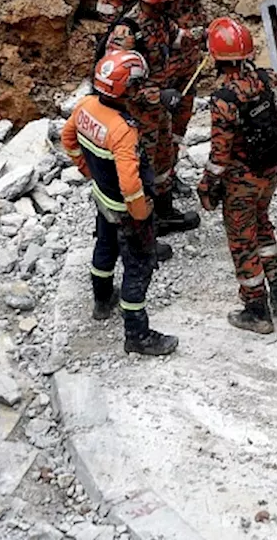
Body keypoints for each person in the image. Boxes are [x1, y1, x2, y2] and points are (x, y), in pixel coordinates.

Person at [61, 51, 179, 356]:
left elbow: (68, 137)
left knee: (104, 247)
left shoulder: (86, 106)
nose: (140, 89)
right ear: (125, 89)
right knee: (138, 267)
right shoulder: (122, 130)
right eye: (136, 85)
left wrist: (86, 170)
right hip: (126, 209)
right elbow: (130, 182)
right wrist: (141, 215)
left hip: (102, 198)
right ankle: (137, 334)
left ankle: (102, 301)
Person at [98, 0, 208, 195]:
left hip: (186, 53)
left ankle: (168, 174)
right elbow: (106, 6)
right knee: (153, 124)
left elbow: (193, 1)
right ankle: (146, 186)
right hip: (158, 60)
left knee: (179, 121)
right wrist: (134, 34)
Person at [197, 17, 277, 334]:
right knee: (262, 225)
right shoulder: (270, 79)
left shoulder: (224, 99)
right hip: (269, 172)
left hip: (241, 181)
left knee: (242, 242)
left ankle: (256, 310)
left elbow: (219, 154)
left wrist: (207, 186)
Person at [97, 0, 203, 235]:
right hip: (137, 115)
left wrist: (205, 35)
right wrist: (157, 94)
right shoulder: (127, 32)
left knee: (164, 160)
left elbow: (177, 38)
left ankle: (164, 213)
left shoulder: (160, 20)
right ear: (157, 2)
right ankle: (142, 229)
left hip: (158, 112)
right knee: (141, 168)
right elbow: (116, 82)